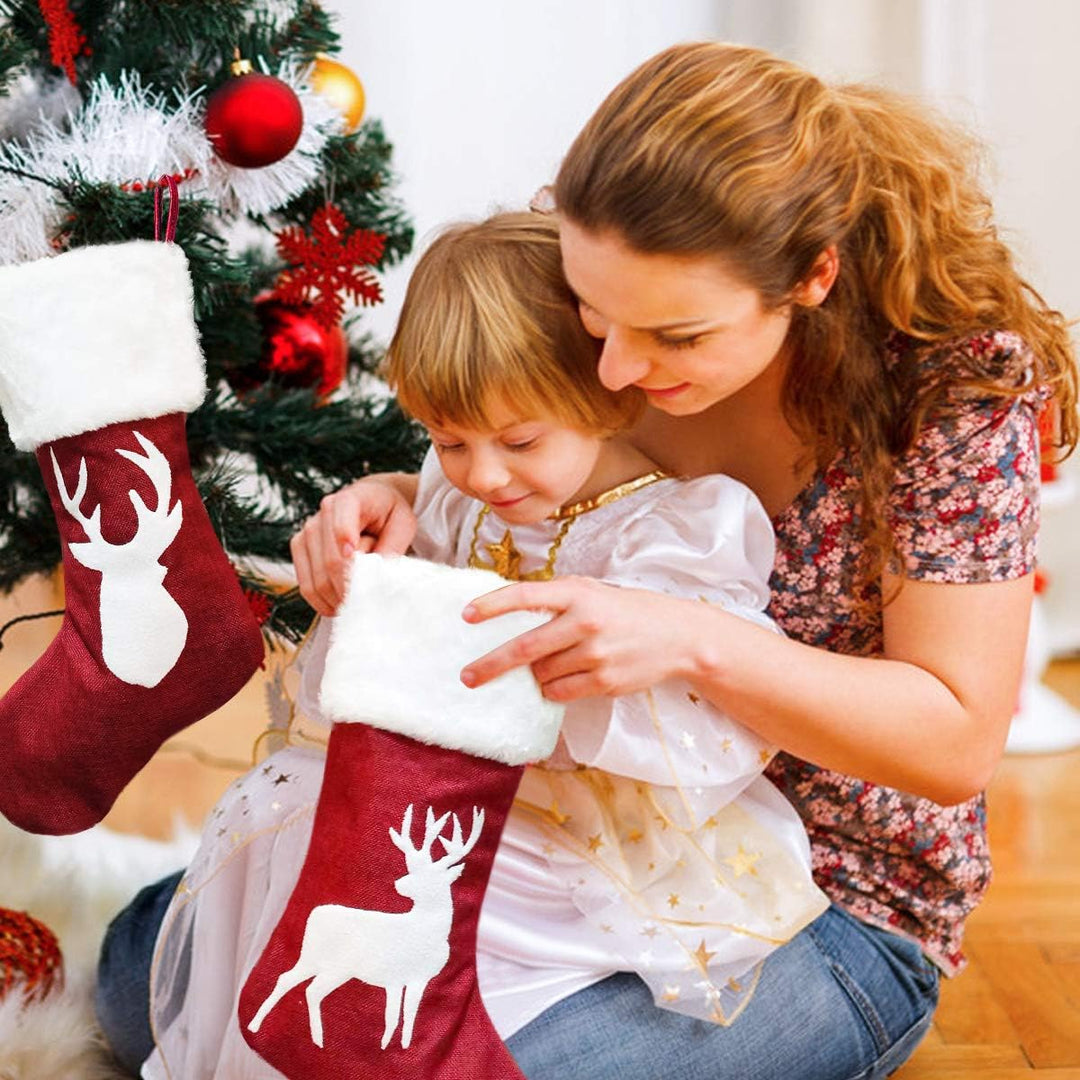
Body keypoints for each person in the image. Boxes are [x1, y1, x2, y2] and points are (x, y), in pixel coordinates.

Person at [97, 41, 1078, 1080]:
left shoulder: (950, 393)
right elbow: (518, 452)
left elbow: (957, 742)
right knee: (141, 987)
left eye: (674, 337)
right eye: (596, 320)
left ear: (811, 277)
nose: (615, 368)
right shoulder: (600, 284)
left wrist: (692, 645)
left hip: (823, 905)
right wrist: (400, 500)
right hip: (549, 826)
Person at [97, 210, 828, 1079]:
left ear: (603, 392)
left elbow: (708, 726)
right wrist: (359, 594)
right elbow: (373, 671)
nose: (481, 474)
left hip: (594, 832)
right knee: (267, 860)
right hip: (443, 800)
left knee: (428, 962)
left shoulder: (680, 529)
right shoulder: (451, 495)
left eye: (520, 442)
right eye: (449, 440)